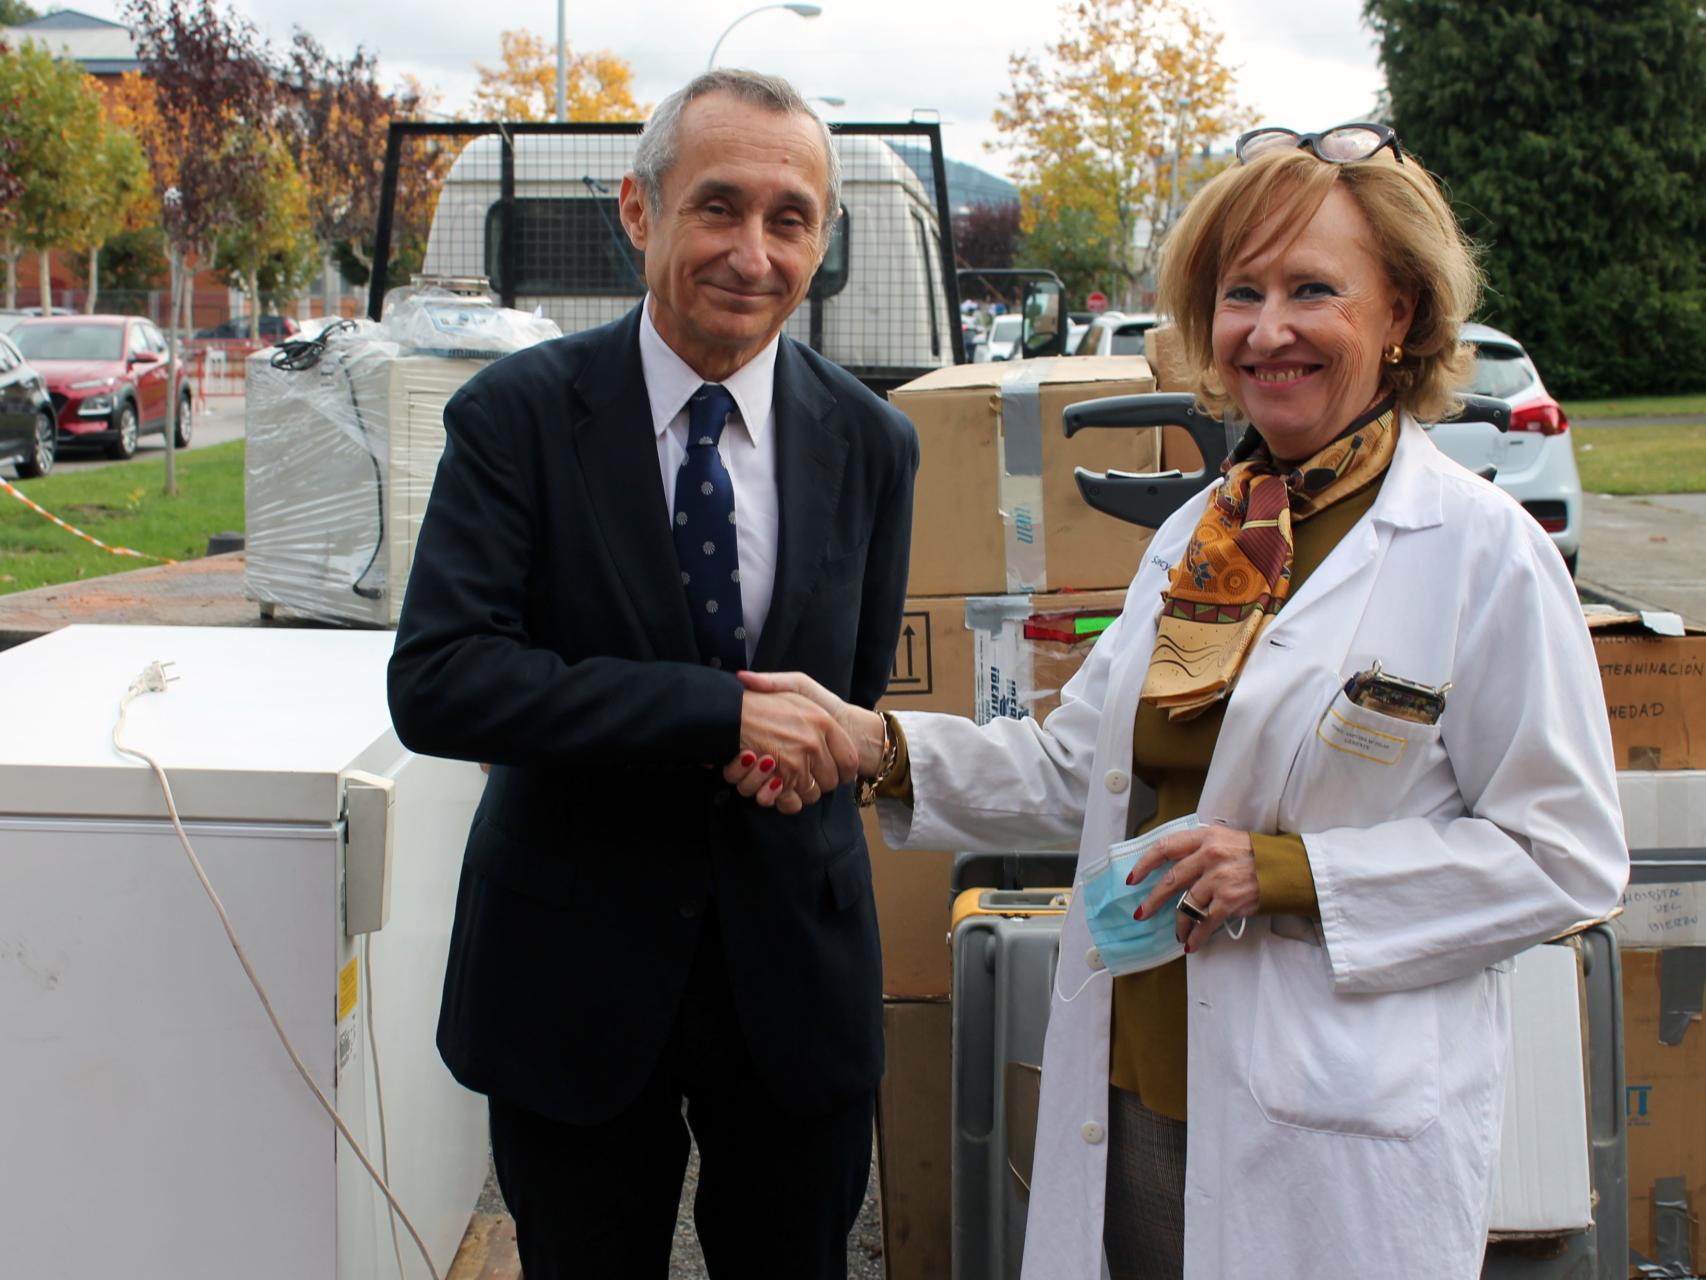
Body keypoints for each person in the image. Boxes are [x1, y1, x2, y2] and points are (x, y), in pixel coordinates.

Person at [732, 123, 1628, 1279]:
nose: (1266, 329)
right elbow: (1079, 772)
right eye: (1238, 292)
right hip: (1135, 1084)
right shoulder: (1204, 538)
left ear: (1399, 312)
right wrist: (874, 743)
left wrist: (1288, 870)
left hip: (1327, 1117)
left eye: (1313, 289)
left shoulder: (1479, 551)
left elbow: (1564, 852)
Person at [387, 69, 919, 1278]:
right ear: (639, 210)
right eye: (717, 206)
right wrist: (717, 711)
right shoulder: (513, 418)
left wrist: (809, 757)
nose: (752, 251)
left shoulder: (875, 445)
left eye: (790, 218)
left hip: (792, 971)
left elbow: (846, 688)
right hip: (572, 970)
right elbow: (441, 680)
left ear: (822, 239)